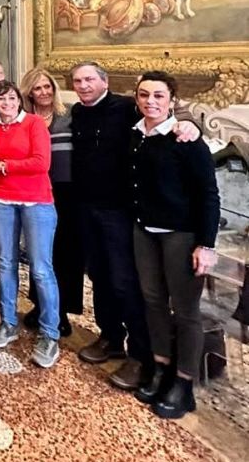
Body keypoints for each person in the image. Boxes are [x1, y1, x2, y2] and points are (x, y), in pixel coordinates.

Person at [69, 61, 200, 390]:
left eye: (89, 79)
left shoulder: (126, 107)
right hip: (87, 206)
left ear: (105, 81)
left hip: (120, 211)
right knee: (99, 276)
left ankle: (140, 355)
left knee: (126, 283)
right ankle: (110, 336)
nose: (83, 85)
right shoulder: (78, 112)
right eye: (78, 81)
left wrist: (190, 125)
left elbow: (164, 119)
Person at [129, 71, 219, 419]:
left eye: (158, 95)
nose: (150, 101)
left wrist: (206, 245)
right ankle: (161, 366)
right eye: (144, 95)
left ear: (172, 100)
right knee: (153, 301)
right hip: (145, 232)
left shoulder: (186, 140)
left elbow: (208, 194)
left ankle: (184, 382)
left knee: (185, 310)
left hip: (180, 235)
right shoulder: (137, 135)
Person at [0, 80, 61, 369]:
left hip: (36, 201)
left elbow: (41, 163)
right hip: (2, 200)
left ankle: (50, 334)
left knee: (40, 268)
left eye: (12, 98)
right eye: (1, 99)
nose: (7, 103)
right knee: (5, 262)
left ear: (19, 100)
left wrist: (2, 166)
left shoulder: (34, 124)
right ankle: (8, 321)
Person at [19, 67, 81, 338]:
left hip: (66, 191)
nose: (43, 92)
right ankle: (40, 304)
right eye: (37, 88)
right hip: (35, 191)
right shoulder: (25, 119)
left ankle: (61, 310)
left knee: (66, 251)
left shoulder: (70, 115)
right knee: (39, 252)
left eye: (47, 87)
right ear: (29, 92)